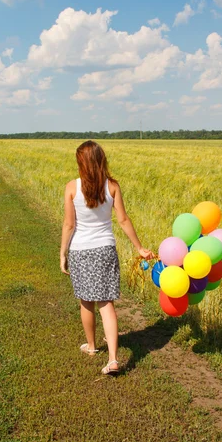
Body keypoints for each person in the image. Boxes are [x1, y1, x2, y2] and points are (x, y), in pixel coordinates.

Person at [60, 140, 154, 375]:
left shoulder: (72, 187)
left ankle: (92, 346)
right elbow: (123, 220)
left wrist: (62, 253)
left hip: (81, 250)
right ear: (101, 160)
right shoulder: (112, 186)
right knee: (106, 303)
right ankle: (113, 359)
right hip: (105, 249)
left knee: (86, 300)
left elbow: (69, 224)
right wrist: (139, 247)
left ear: (81, 162)